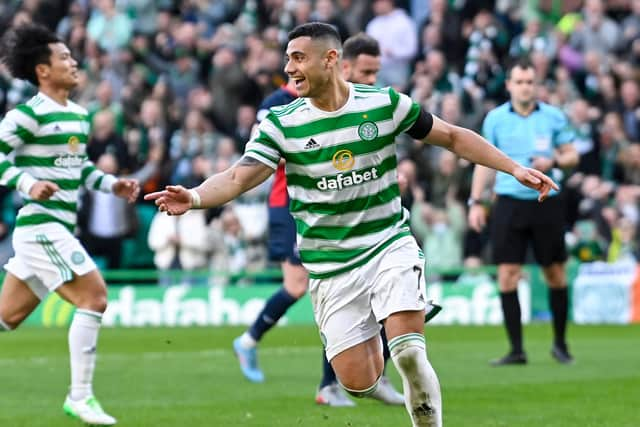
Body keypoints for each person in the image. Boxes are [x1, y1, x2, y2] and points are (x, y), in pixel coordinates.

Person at [146, 23, 558, 427]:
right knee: (358, 381)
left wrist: (513, 168)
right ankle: (375, 340)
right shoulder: (281, 123)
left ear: (331, 59)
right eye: (287, 58)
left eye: (298, 58)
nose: (289, 68)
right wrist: (196, 196)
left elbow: (450, 137)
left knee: (410, 353)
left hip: (387, 245)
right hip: (330, 267)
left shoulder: (383, 104)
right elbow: (238, 176)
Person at [233, 32, 425, 407]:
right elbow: (256, 163)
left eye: (375, 73)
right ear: (341, 64)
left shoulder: (364, 107)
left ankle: (364, 375)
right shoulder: (281, 108)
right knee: (301, 285)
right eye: (366, 73)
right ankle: (252, 341)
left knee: (364, 281)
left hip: (350, 208)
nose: (371, 81)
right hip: (293, 206)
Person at [0, 24, 140, 425]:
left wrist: (113, 184)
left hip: (58, 226)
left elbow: (78, 170)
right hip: (41, 226)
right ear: (43, 70)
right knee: (94, 297)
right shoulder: (27, 116)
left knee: (6, 317)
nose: (73, 62)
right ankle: (80, 397)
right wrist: (27, 182)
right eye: (64, 57)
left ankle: (80, 396)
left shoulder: (79, 116)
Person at [467, 57, 579, 366]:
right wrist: (476, 202)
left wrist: (553, 161)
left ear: (536, 85)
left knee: (554, 273)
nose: (525, 87)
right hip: (509, 201)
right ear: (509, 85)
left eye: (530, 82)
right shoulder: (495, 119)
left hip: (547, 201)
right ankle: (516, 350)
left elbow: (572, 155)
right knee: (507, 275)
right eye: (519, 82)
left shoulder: (554, 117)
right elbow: (484, 162)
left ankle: (560, 344)